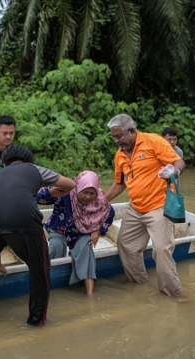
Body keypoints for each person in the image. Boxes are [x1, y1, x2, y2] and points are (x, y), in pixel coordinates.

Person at [0, 146, 76, 327]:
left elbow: (0, 209)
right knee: (40, 271)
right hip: (23, 219)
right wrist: (52, 192)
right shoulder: (34, 169)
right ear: (28, 161)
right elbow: (70, 184)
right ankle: (36, 323)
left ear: (4, 164)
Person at [105, 114, 186, 298]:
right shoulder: (119, 156)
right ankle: (139, 286)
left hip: (159, 206)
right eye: (113, 137)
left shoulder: (152, 141)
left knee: (161, 249)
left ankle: (173, 296)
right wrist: (102, 200)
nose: (117, 141)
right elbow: (120, 183)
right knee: (126, 245)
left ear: (132, 131)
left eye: (119, 136)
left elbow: (178, 161)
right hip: (135, 208)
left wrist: (174, 170)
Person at [37, 171, 115, 297]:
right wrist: (51, 192)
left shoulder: (100, 200)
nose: (88, 197)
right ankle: (45, 281)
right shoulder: (65, 192)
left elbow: (109, 215)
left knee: (86, 248)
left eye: (92, 193)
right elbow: (38, 198)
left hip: (82, 233)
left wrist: (98, 230)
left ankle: (90, 294)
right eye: (84, 192)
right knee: (55, 246)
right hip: (59, 229)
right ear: (78, 187)